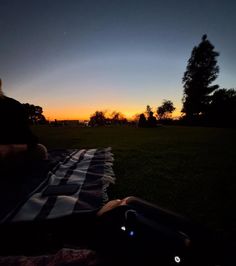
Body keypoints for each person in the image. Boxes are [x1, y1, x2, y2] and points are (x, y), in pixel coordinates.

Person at [0, 78, 48, 162]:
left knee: (39, 150)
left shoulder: (12, 106)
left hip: (10, 155)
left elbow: (31, 141)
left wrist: (10, 148)